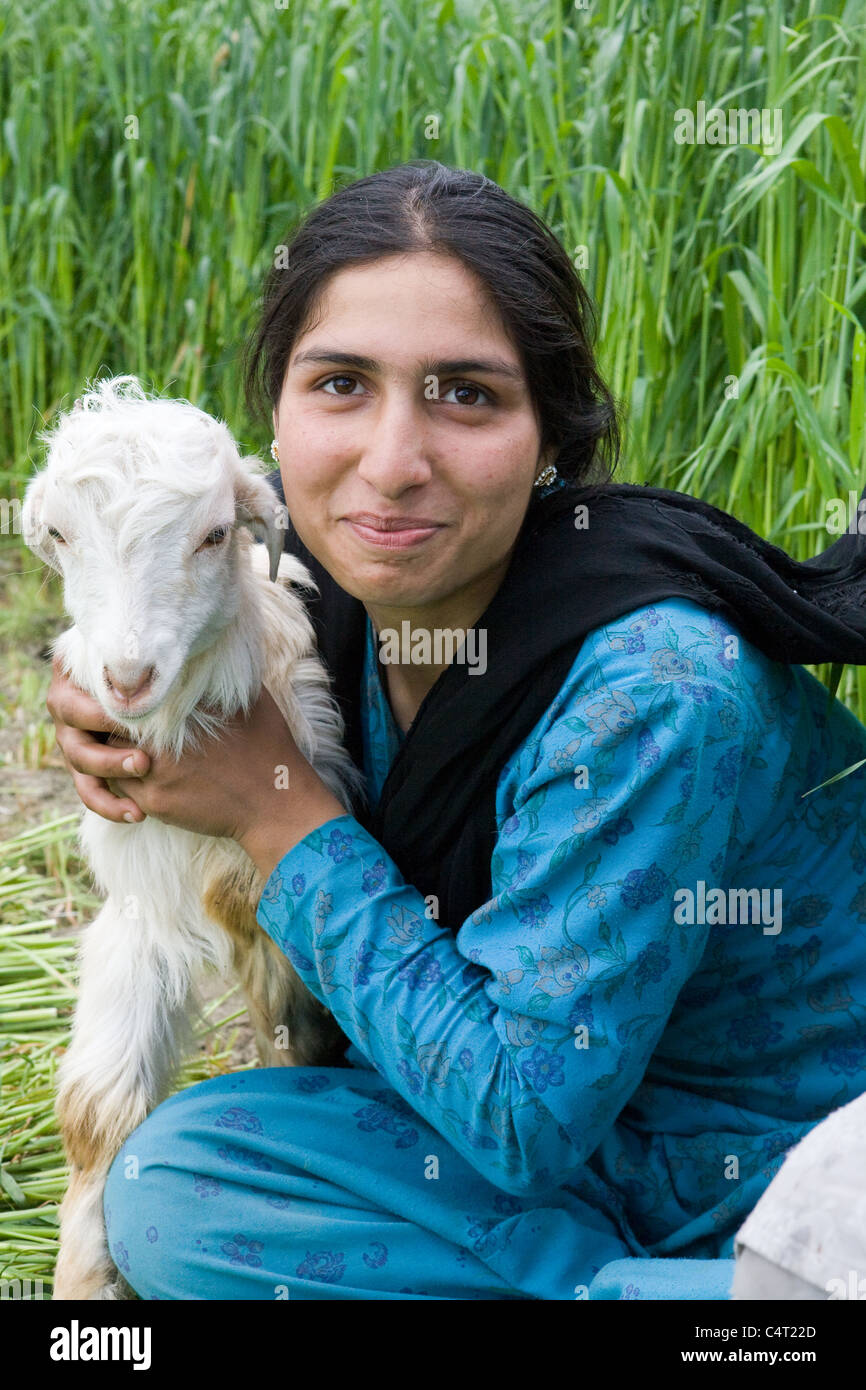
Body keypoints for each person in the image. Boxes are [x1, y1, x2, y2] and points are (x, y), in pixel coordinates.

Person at [46, 162, 866, 1301]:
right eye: (339, 383)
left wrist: (275, 811)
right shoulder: (318, 612)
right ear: (270, 424)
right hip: (569, 1159)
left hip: (785, 1175)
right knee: (177, 1181)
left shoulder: (654, 688)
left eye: (465, 394)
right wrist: (115, 680)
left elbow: (521, 1117)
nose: (391, 463)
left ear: (550, 439)